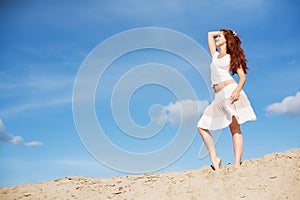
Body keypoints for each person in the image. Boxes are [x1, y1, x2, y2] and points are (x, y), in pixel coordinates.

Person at [197, 29, 256, 170]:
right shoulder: (215, 55)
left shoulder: (231, 57)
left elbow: (242, 77)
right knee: (202, 126)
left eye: (220, 36)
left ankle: (237, 164)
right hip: (218, 96)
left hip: (230, 91)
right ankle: (215, 159)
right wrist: (226, 32)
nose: (217, 38)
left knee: (234, 127)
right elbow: (209, 34)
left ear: (226, 39)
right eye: (218, 36)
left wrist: (237, 91)